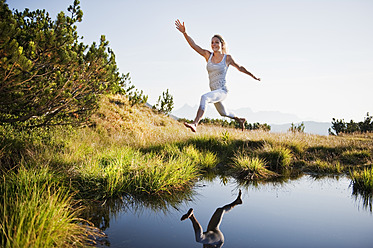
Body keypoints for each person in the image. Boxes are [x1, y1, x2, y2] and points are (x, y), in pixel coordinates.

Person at [175, 19, 261, 132]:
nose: (214, 44)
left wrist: (253, 76)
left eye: (216, 42)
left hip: (222, 90)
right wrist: (185, 33)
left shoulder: (227, 58)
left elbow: (240, 68)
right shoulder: (207, 55)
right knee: (223, 113)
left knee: (204, 97)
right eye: (212, 42)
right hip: (214, 91)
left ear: (221, 44)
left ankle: (195, 123)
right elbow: (194, 45)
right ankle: (239, 119)